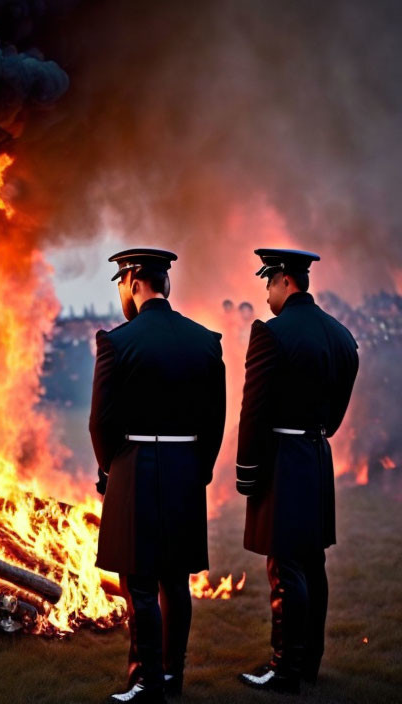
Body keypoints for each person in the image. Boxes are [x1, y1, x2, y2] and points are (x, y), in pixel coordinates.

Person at [90, 248, 226, 703]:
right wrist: (198, 468)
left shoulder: (116, 340)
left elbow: (99, 423)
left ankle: (147, 682)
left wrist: (112, 469)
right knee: (175, 581)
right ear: (165, 283)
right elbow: (216, 419)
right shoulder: (206, 340)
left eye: (120, 286)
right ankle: (173, 678)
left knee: (141, 584)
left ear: (131, 281)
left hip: (137, 469)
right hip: (186, 469)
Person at [236, 248, 358, 694]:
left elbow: (254, 411)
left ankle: (285, 668)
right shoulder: (341, 335)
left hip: (283, 460)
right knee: (313, 562)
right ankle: (309, 663)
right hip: (316, 454)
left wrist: (247, 469)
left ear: (285, 280)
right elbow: (339, 411)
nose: (267, 294)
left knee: (285, 567)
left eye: (268, 283)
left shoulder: (272, 334)